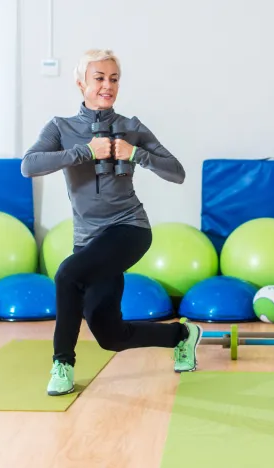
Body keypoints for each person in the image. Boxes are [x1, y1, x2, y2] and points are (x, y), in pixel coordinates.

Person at [21, 49, 203, 396]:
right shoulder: (61, 127)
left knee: (67, 274)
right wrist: (85, 152)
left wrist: (135, 154)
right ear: (81, 83)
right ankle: (182, 335)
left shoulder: (131, 128)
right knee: (109, 335)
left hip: (129, 229)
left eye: (114, 79)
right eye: (99, 78)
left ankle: (62, 364)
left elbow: (177, 172)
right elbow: (29, 165)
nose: (107, 86)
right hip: (89, 240)